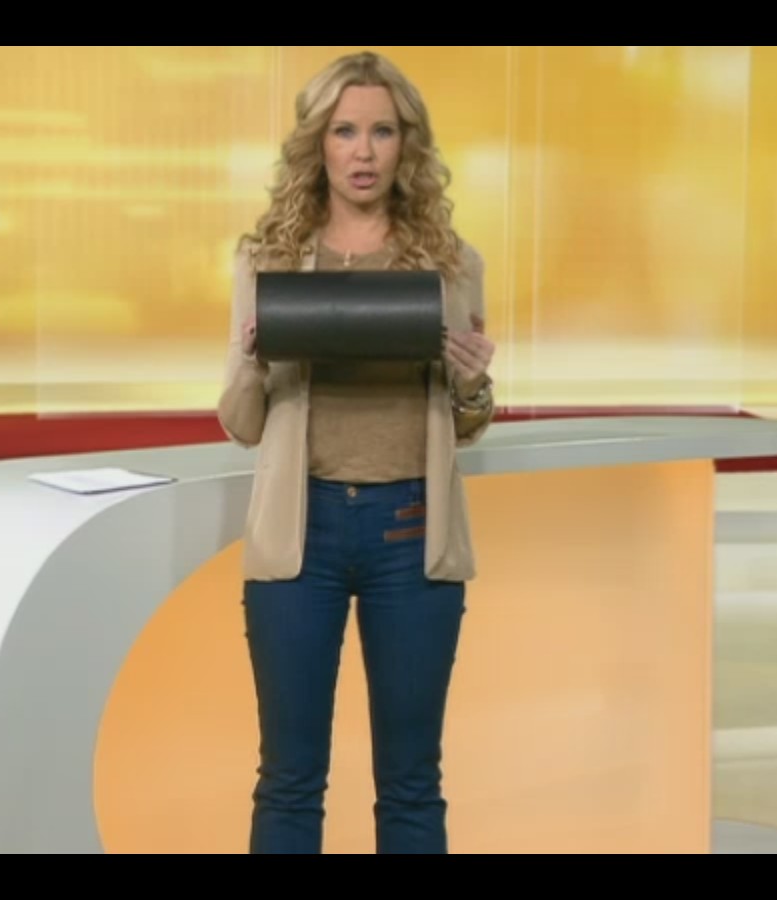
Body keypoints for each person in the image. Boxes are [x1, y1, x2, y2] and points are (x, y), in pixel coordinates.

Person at [216, 51, 496, 855]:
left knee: (410, 783)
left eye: (382, 131)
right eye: (344, 131)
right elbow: (241, 422)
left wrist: (474, 384)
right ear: (319, 143)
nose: (364, 151)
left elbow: (469, 422)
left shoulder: (451, 264)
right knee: (289, 780)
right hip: (299, 535)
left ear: (408, 144)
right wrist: (252, 358)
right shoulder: (268, 258)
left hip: (410, 534)